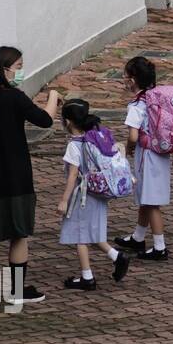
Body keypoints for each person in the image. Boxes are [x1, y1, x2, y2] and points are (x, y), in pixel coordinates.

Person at [0, 46, 60, 308]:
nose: (19, 71)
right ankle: (16, 291)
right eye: (18, 66)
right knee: (18, 234)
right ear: (5, 69)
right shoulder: (14, 97)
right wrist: (53, 97)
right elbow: (44, 120)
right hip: (16, 177)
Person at [57, 99, 131, 291]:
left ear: (68, 122)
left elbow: (73, 175)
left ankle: (87, 277)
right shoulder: (96, 138)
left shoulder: (74, 146)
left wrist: (64, 200)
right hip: (98, 193)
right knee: (93, 231)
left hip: (82, 196)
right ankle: (117, 256)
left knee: (81, 236)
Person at [116, 57, 173, 260]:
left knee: (151, 201)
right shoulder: (155, 97)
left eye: (125, 75)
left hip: (146, 156)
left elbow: (132, 135)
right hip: (160, 154)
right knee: (146, 197)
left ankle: (160, 247)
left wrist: (129, 148)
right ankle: (138, 237)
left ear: (132, 80)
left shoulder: (137, 105)